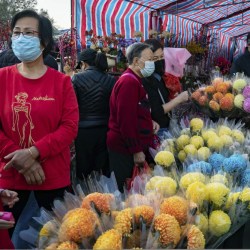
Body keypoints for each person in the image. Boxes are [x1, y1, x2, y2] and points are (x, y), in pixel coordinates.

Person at [0, 9, 79, 238]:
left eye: (28, 32)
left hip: (52, 176)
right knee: (7, 237)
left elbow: (70, 127)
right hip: (11, 175)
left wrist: (35, 151)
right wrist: (23, 160)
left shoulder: (62, 82)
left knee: (58, 237)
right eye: (16, 33)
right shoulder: (2, 78)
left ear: (43, 41)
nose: (21, 38)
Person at [107, 43, 160, 192]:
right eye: (150, 59)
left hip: (130, 145)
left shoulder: (135, 80)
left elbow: (135, 111)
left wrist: (149, 121)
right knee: (128, 191)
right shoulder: (128, 82)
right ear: (136, 61)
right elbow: (125, 120)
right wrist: (136, 150)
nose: (153, 63)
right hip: (125, 149)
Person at [72, 49, 116, 178]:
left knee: (84, 171)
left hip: (83, 132)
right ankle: (104, 195)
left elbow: (73, 106)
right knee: (103, 170)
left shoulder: (77, 78)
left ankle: (85, 196)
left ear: (83, 64)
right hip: (105, 129)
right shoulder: (111, 79)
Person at [142, 39, 189, 130]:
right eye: (155, 58)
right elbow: (156, 112)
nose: (160, 61)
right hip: (158, 129)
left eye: (162, 56)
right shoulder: (146, 80)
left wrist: (172, 97)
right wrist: (178, 100)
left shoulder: (159, 76)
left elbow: (162, 100)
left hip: (166, 125)